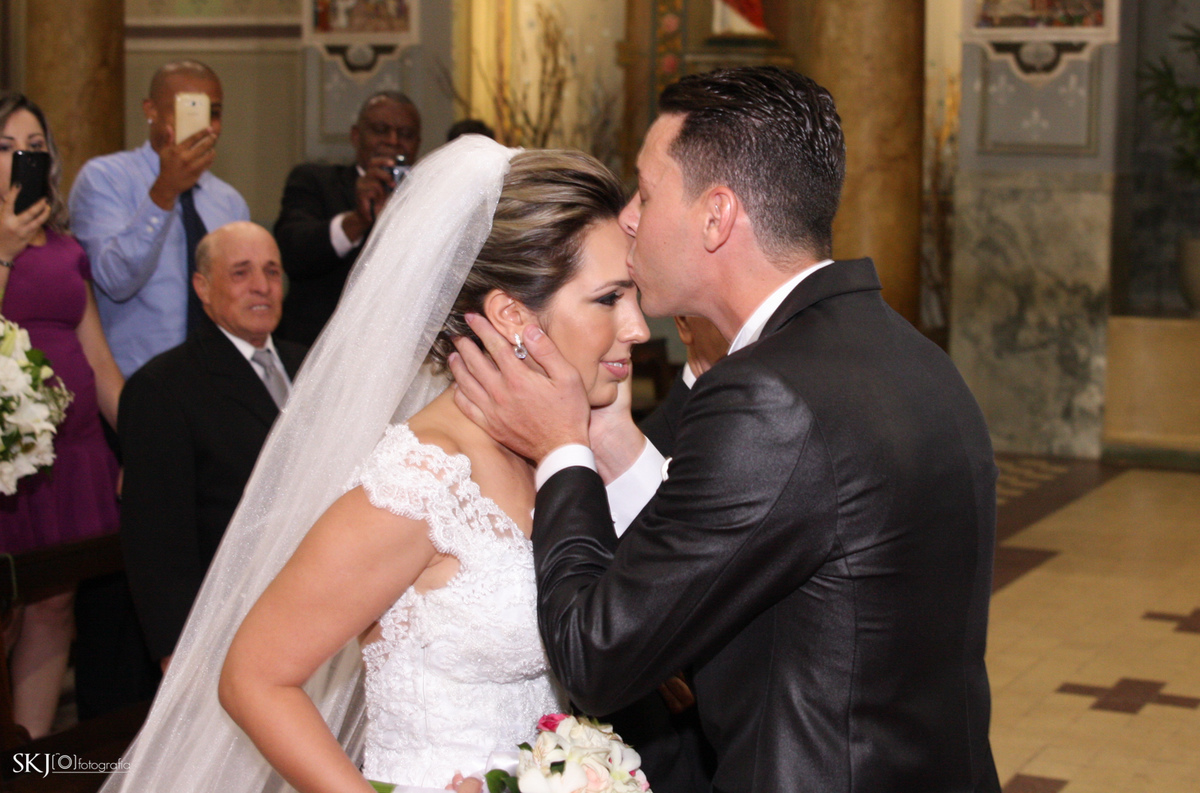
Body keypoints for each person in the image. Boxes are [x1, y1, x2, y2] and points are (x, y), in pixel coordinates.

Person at [448, 66, 1003, 792]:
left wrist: (563, 447)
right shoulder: (913, 356)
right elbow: (740, 551)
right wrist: (610, 432)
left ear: (716, 216)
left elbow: (597, 655)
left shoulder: (767, 397)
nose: (629, 220)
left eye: (645, 194)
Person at [96, 136, 650, 793]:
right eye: (610, 298)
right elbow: (253, 676)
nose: (639, 326)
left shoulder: (558, 453)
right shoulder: (423, 479)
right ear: (511, 315)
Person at [119, 222, 306, 673]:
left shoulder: (313, 364)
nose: (262, 286)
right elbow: (157, 537)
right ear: (202, 287)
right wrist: (175, 650)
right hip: (227, 621)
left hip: (318, 603)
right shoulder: (164, 388)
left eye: (272, 271)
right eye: (241, 273)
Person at [0, 92, 124, 739]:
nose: (24, 159)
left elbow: (98, 359)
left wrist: (141, 444)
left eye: (35, 148)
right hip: (5, 454)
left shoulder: (67, 247)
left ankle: (33, 756)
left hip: (70, 454)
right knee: (7, 613)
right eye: (7, 147)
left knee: (53, 606)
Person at [69, 60, 250, 378]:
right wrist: (164, 191)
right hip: (133, 385)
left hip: (216, 382)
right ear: (150, 110)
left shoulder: (230, 202)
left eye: (215, 113)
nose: (204, 125)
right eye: (188, 111)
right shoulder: (105, 178)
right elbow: (115, 282)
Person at [274, 91, 421, 346]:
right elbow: (293, 252)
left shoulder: (429, 198)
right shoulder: (315, 180)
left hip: (397, 347)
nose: (393, 141)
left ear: (418, 143)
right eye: (380, 130)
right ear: (356, 136)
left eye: (405, 134)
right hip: (318, 347)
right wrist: (357, 220)